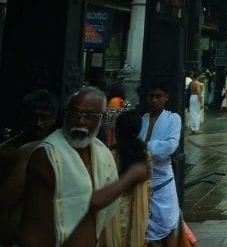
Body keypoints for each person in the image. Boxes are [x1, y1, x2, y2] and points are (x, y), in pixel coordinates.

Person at [19, 87, 148, 246]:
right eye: (75, 113)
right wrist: (132, 175)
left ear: (102, 118)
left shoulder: (100, 153)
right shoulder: (49, 155)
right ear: (65, 114)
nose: (80, 121)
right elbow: (90, 202)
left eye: (89, 115)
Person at [0, 90, 58, 243]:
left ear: (53, 119)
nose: (38, 123)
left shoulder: (58, 150)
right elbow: (4, 204)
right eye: (33, 117)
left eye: (43, 117)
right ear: (24, 117)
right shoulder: (9, 151)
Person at [139, 82, 181, 246]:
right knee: (146, 230)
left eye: (158, 96)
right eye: (151, 96)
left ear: (166, 98)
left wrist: (144, 146)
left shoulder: (173, 119)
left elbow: (170, 146)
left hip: (162, 182)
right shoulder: (142, 120)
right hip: (143, 181)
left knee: (168, 226)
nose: (154, 100)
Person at [109, 110, 151, 246]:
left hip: (114, 213)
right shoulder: (145, 155)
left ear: (118, 131)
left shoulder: (111, 155)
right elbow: (149, 187)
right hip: (137, 210)